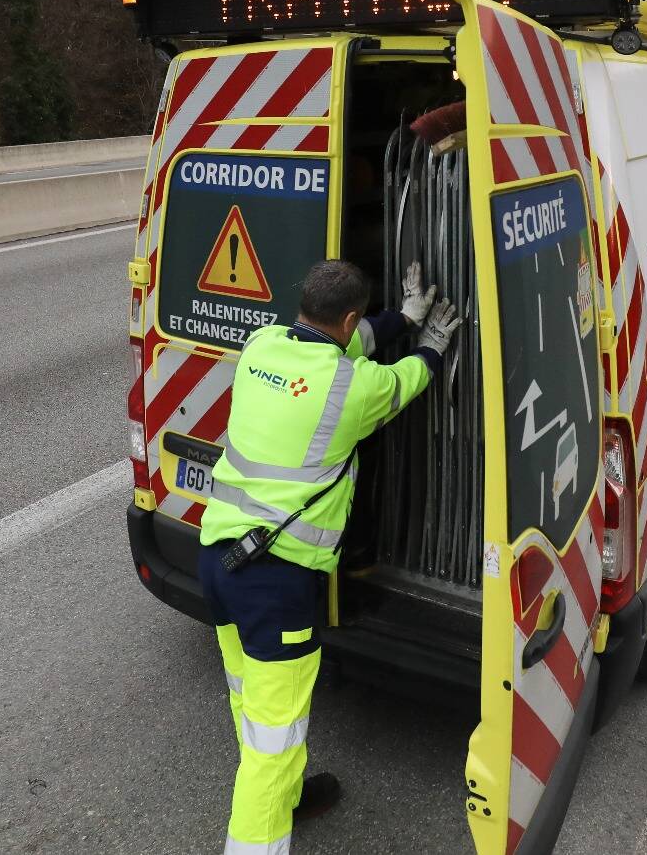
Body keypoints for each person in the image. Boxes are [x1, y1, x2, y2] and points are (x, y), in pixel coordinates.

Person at [198, 258, 460, 855]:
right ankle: (260, 834)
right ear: (347, 317)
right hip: (275, 584)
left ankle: (289, 796)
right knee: (272, 743)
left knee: (256, 709)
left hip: (218, 561)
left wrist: (401, 316)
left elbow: (345, 345)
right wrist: (433, 340)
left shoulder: (263, 344)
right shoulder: (354, 389)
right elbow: (409, 379)